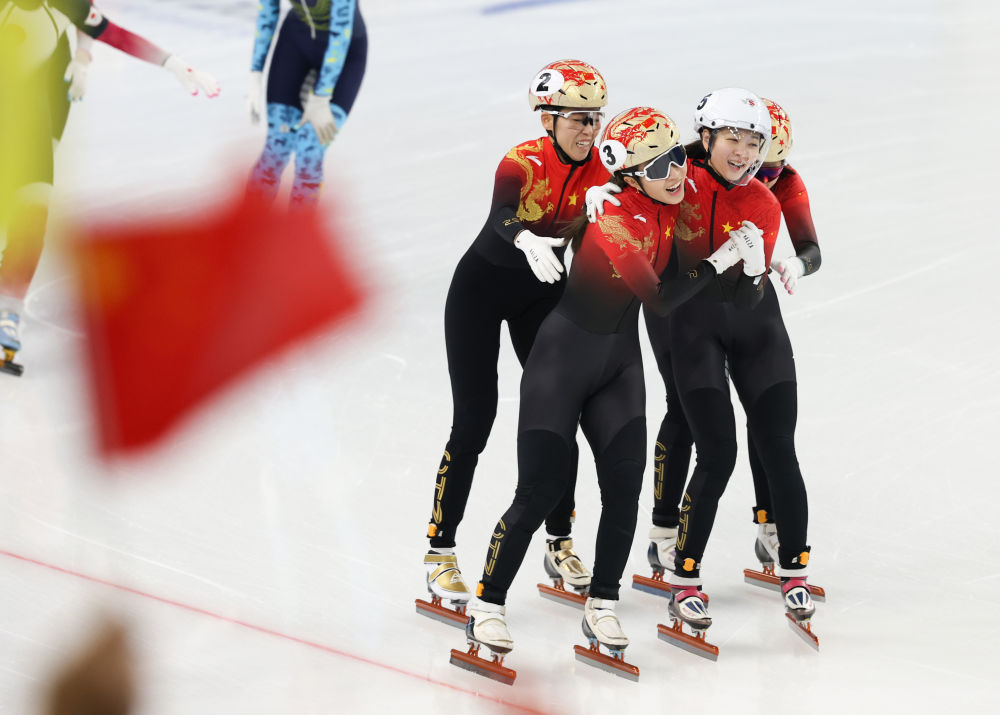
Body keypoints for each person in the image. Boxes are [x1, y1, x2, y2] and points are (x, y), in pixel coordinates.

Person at [461, 106, 761, 664]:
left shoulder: (670, 188)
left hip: (620, 367)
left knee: (623, 490)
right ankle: (488, 604)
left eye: (677, 158)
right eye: (661, 167)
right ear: (630, 175)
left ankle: (602, 603)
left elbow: (722, 161)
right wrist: (722, 259)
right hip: (561, 363)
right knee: (539, 491)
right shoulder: (613, 218)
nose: (677, 173)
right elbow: (660, 299)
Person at [424, 60, 610, 613]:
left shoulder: (604, 167)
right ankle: (439, 550)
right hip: (480, 293)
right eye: (577, 119)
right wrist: (524, 237)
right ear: (548, 119)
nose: (589, 129)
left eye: (595, 118)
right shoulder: (521, 161)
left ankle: (560, 542)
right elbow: (502, 212)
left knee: (561, 413)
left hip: (543, 293)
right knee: (474, 421)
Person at [642, 88, 815, 637]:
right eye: (733, 139)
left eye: (753, 143)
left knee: (778, 446)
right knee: (715, 450)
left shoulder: (765, 201)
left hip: (755, 326)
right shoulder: (677, 176)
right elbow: (629, 178)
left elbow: (748, 295)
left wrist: (759, 265)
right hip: (689, 324)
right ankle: (682, 573)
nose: (744, 152)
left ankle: (794, 568)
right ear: (707, 137)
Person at [0, 0, 218, 375]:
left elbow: (110, 31)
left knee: (33, 212)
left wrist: (173, 63)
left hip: (38, 98)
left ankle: (8, 314)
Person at [246, 0, 367, 209]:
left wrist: (322, 96)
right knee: (277, 147)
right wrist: (255, 73)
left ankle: (298, 226)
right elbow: (267, 11)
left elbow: (340, 35)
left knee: (310, 148)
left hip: (345, 52)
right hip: (296, 44)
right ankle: (250, 222)